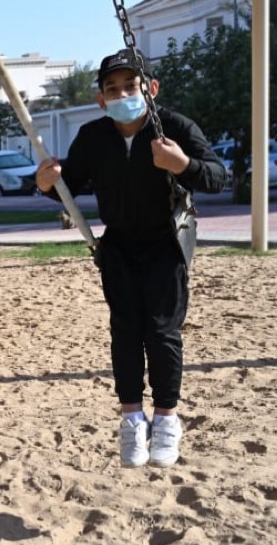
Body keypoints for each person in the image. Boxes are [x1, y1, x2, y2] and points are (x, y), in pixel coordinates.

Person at [34, 49, 227, 469]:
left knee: (161, 332)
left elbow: (218, 176)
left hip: (166, 244)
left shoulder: (173, 127)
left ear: (150, 89)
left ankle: (167, 419)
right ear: (101, 99)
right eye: (112, 89)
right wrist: (47, 183)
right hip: (118, 246)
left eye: (130, 86)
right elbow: (69, 185)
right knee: (124, 333)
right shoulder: (93, 136)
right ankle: (132, 420)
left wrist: (182, 164)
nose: (122, 94)